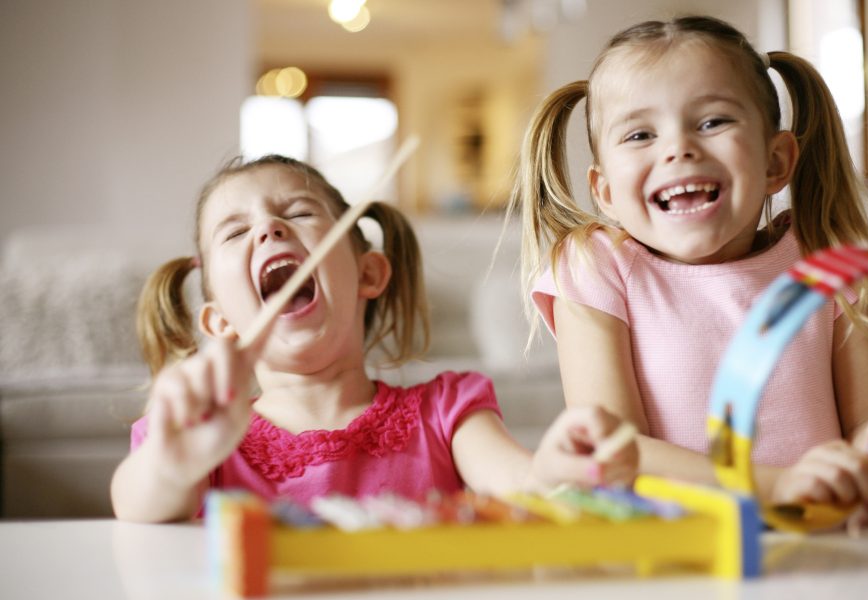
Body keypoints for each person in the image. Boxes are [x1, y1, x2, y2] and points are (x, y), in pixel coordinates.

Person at [508, 16, 868, 526]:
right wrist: (777, 486)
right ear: (605, 193)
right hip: (677, 554)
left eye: (713, 122)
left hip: (825, 544)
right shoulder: (594, 267)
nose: (679, 148)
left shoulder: (829, 258)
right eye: (641, 133)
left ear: (775, 162)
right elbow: (615, 453)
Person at [110, 154, 637, 523]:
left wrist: (555, 470)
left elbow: (520, 480)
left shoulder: (447, 410)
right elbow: (136, 505)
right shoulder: (197, 437)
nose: (269, 228)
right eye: (234, 231)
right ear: (220, 322)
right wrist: (170, 463)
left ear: (368, 274)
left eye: (297, 213)